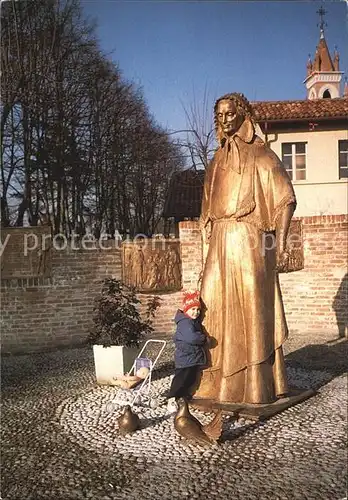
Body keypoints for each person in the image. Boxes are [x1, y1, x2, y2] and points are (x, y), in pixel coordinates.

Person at [196, 92, 296, 405]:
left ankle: (256, 383)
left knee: (253, 308)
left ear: (242, 114)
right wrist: (206, 247)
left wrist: (279, 242)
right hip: (221, 240)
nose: (225, 119)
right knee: (211, 302)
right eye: (221, 115)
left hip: (251, 238)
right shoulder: (216, 160)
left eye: (230, 113)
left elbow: (285, 199)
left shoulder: (260, 155)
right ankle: (216, 377)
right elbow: (206, 212)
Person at [167, 290, 207, 412]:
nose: (196, 312)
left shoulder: (192, 322)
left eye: (198, 310)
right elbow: (191, 338)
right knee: (180, 379)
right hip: (185, 357)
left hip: (191, 357)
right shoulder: (185, 323)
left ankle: (182, 396)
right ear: (186, 310)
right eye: (193, 309)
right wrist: (204, 338)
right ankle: (171, 399)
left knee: (189, 379)